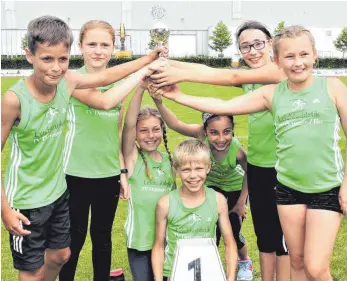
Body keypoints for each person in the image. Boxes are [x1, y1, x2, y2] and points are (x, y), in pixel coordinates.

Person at [151, 26, 347, 281]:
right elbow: (223, 106)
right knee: (296, 263)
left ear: (314, 55)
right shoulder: (271, 93)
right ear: (277, 61)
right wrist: (177, 94)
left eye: (303, 55)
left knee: (316, 267)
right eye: (289, 57)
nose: (297, 63)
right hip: (288, 189)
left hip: (326, 188)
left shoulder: (332, 87)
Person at [1, 15, 164, 281]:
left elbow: (113, 87)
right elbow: (105, 99)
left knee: (79, 247)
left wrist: (147, 60)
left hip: (81, 184)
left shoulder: (67, 81)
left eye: (61, 60)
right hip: (49, 187)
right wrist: (4, 208)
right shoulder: (38, 91)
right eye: (47, 59)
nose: (56, 67)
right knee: (49, 258)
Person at [152, 21, 290, 281]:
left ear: (271, 44)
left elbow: (231, 76)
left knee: (281, 238)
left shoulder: (276, 72)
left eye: (258, 44)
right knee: (265, 236)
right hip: (259, 166)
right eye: (245, 47)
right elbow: (211, 70)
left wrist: (175, 78)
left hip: (281, 168)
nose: (252, 51)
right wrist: (164, 64)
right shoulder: (253, 79)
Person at [149, 93, 252, 280]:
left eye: (226, 131)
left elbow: (250, 172)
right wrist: (158, 101)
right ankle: (205, 262)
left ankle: (244, 261)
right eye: (214, 132)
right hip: (210, 183)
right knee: (212, 231)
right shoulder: (199, 135)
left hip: (234, 188)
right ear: (205, 131)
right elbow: (174, 123)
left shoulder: (237, 150)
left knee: (233, 231)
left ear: (232, 130)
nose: (221, 138)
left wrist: (241, 202)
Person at [58, 20, 131, 281]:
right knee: (73, 240)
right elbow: (102, 103)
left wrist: (121, 171)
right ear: (80, 47)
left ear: (113, 48)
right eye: (92, 44)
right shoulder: (70, 79)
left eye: (104, 45)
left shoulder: (118, 86)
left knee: (102, 238)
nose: (98, 50)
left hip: (107, 175)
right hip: (73, 174)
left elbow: (117, 133)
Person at [152, 139, 238, 281]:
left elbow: (229, 243)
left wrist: (230, 278)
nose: (193, 176)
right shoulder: (165, 203)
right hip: (174, 273)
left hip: (209, 272)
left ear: (208, 167)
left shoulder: (218, 200)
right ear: (177, 169)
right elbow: (159, 246)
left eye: (199, 169)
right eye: (186, 170)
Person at [121, 80, 175, 281]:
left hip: (166, 242)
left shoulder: (169, 161)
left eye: (155, 129)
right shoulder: (133, 157)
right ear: (135, 133)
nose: (150, 135)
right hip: (140, 243)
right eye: (143, 130)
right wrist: (141, 88)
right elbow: (128, 123)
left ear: (162, 131)